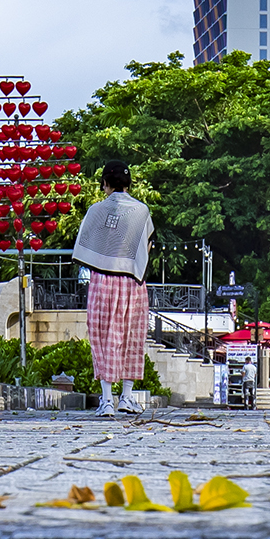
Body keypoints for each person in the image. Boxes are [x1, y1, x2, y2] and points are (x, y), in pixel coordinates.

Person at [73, 158, 153, 413]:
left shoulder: (95, 210)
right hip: (133, 279)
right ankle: (127, 397)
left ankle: (107, 399)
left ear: (105, 183)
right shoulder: (142, 211)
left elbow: (85, 244)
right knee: (133, 336)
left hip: (102, 278)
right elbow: (148, 246)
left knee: (104, 337)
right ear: (129, 183)